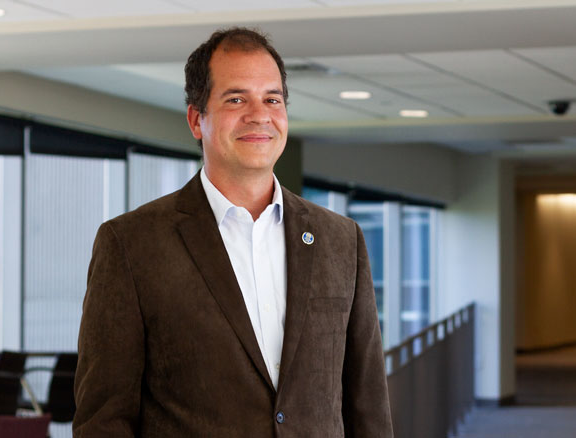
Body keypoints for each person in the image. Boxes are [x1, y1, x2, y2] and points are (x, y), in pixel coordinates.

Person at [72, 27, 394, 437]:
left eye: (272, 99)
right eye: (236, 99)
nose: (259, 115)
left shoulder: (341, 240)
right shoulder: (132, 244)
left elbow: (368, 405)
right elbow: (103, 421)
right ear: (196, 119)